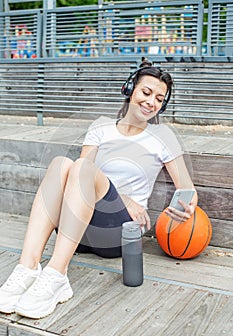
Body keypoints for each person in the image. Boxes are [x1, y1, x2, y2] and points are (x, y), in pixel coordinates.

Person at [0, 58, 197, 319]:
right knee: (61, 164)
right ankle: (27, 267)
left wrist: (186, 207)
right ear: (130, 90)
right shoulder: (101, 126)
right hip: (79, 228)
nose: (151, 102)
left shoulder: (163, 136)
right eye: (146, 93)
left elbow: (187, 188)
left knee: (80, 167)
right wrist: (124, 196)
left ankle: (57, 275)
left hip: (118, 234)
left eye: (159, 99)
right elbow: (80, 179)